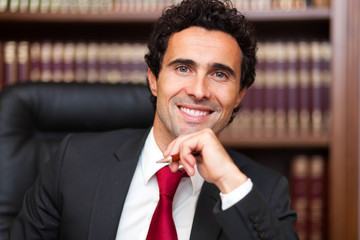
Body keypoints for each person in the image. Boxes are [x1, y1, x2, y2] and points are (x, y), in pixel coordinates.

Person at [10, 0, 299, 239]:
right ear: (154, 80)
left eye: (219, 74)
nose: (199, 91)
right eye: (183, 68)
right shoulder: (72, 162)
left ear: (239, 95)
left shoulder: (262, 192)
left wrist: (228, 180)